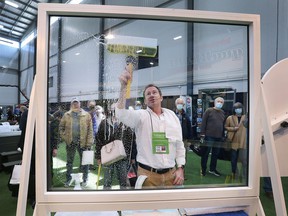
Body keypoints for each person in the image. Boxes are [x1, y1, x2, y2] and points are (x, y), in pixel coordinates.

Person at [115, 68, 186, 188]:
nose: (151, 95)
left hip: (171, 174)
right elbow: (121, 113)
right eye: (148, 94)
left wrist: (180, 168)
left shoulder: (172, 116)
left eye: (154, 92)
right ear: (145, 101)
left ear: (161, 97)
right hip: (148, 176)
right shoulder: (140, 116)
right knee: (148, 207)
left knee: (170, 206)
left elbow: (179, 144)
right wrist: (123, 87)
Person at [95, 105, 136, 189]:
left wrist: (132, 156)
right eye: (112, 109)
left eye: (116, 109)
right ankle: (106, 198)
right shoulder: (104, 123)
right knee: (107, 180)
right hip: (108, 156)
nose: (114, 111)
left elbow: (131, 140)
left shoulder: (126, 123)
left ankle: (123, 197)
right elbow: (99, 140)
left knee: (123, 180)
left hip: (122, 156)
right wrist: (99, 156)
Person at [59, 97, 93, 187]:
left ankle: (85, 179)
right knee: (69, 162)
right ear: (71, 104)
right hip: (71, 142)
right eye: (73, 103)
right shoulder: (66, 115)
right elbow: (61, 127)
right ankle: (68, 179)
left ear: (79, 104)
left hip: (83, 143)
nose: (75, 104)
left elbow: (90, 130)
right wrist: (65, 137)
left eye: (76, 103)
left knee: (85, 161)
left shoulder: (87, 115)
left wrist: (89, 143)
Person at [200, 97, 225, 177]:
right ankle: (203, 170)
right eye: (218, 101)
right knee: (205, 154)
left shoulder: (222, 112)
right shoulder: (209, 111)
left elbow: (222, 124)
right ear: (214, 102)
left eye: (221, 102)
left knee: (215, 154)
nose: (220, 103)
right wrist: (202, 133)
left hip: (218, 137)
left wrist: (223, 135)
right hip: (209, 136)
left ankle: (212, 169)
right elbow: (203, 122)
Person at [225, 102, 247, 179]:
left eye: (240, 108)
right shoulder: (230, 118)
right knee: (233, 159)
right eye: (237, 108)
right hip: (234, 141)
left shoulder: (246, 117)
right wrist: (233, 129)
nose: (238, 110)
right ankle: (234, 173)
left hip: (243, 141)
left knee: (244, 160)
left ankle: (245, 174)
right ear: (234, 109)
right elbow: (226, 127)